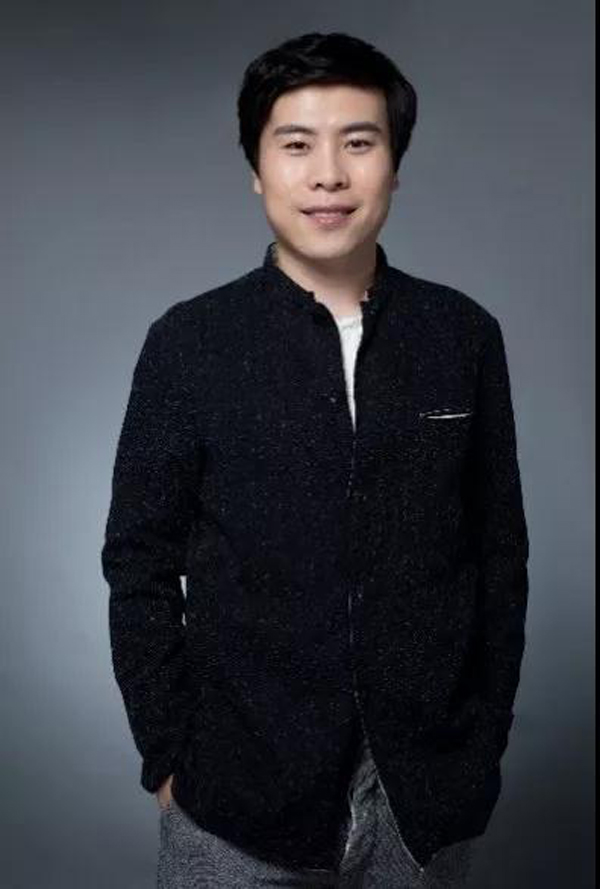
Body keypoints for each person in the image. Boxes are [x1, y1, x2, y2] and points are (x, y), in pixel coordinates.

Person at [101, 31, 530, 888]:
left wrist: (480, 745)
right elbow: (138, 560)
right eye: (296, 145)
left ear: (395, 166)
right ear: (257, 169)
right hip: (234, 798)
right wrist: (167, 752)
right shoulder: (189, 343)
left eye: (358, 143)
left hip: (422, 800)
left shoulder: (461, 336)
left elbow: (499, 555)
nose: (328, 174)